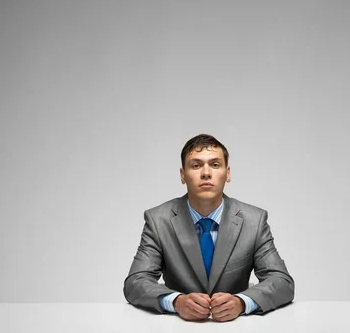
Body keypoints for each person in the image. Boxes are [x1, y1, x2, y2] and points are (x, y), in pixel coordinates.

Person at [123, 134, 294, 322]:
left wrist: (242, 302)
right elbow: (135, 282)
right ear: (182, 175)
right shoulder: (158, 220)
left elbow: (282, 282)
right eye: (196, 165)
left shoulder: (254, 220)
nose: (206, 173)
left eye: (215, 164)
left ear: (227, 173)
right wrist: (176, 302)